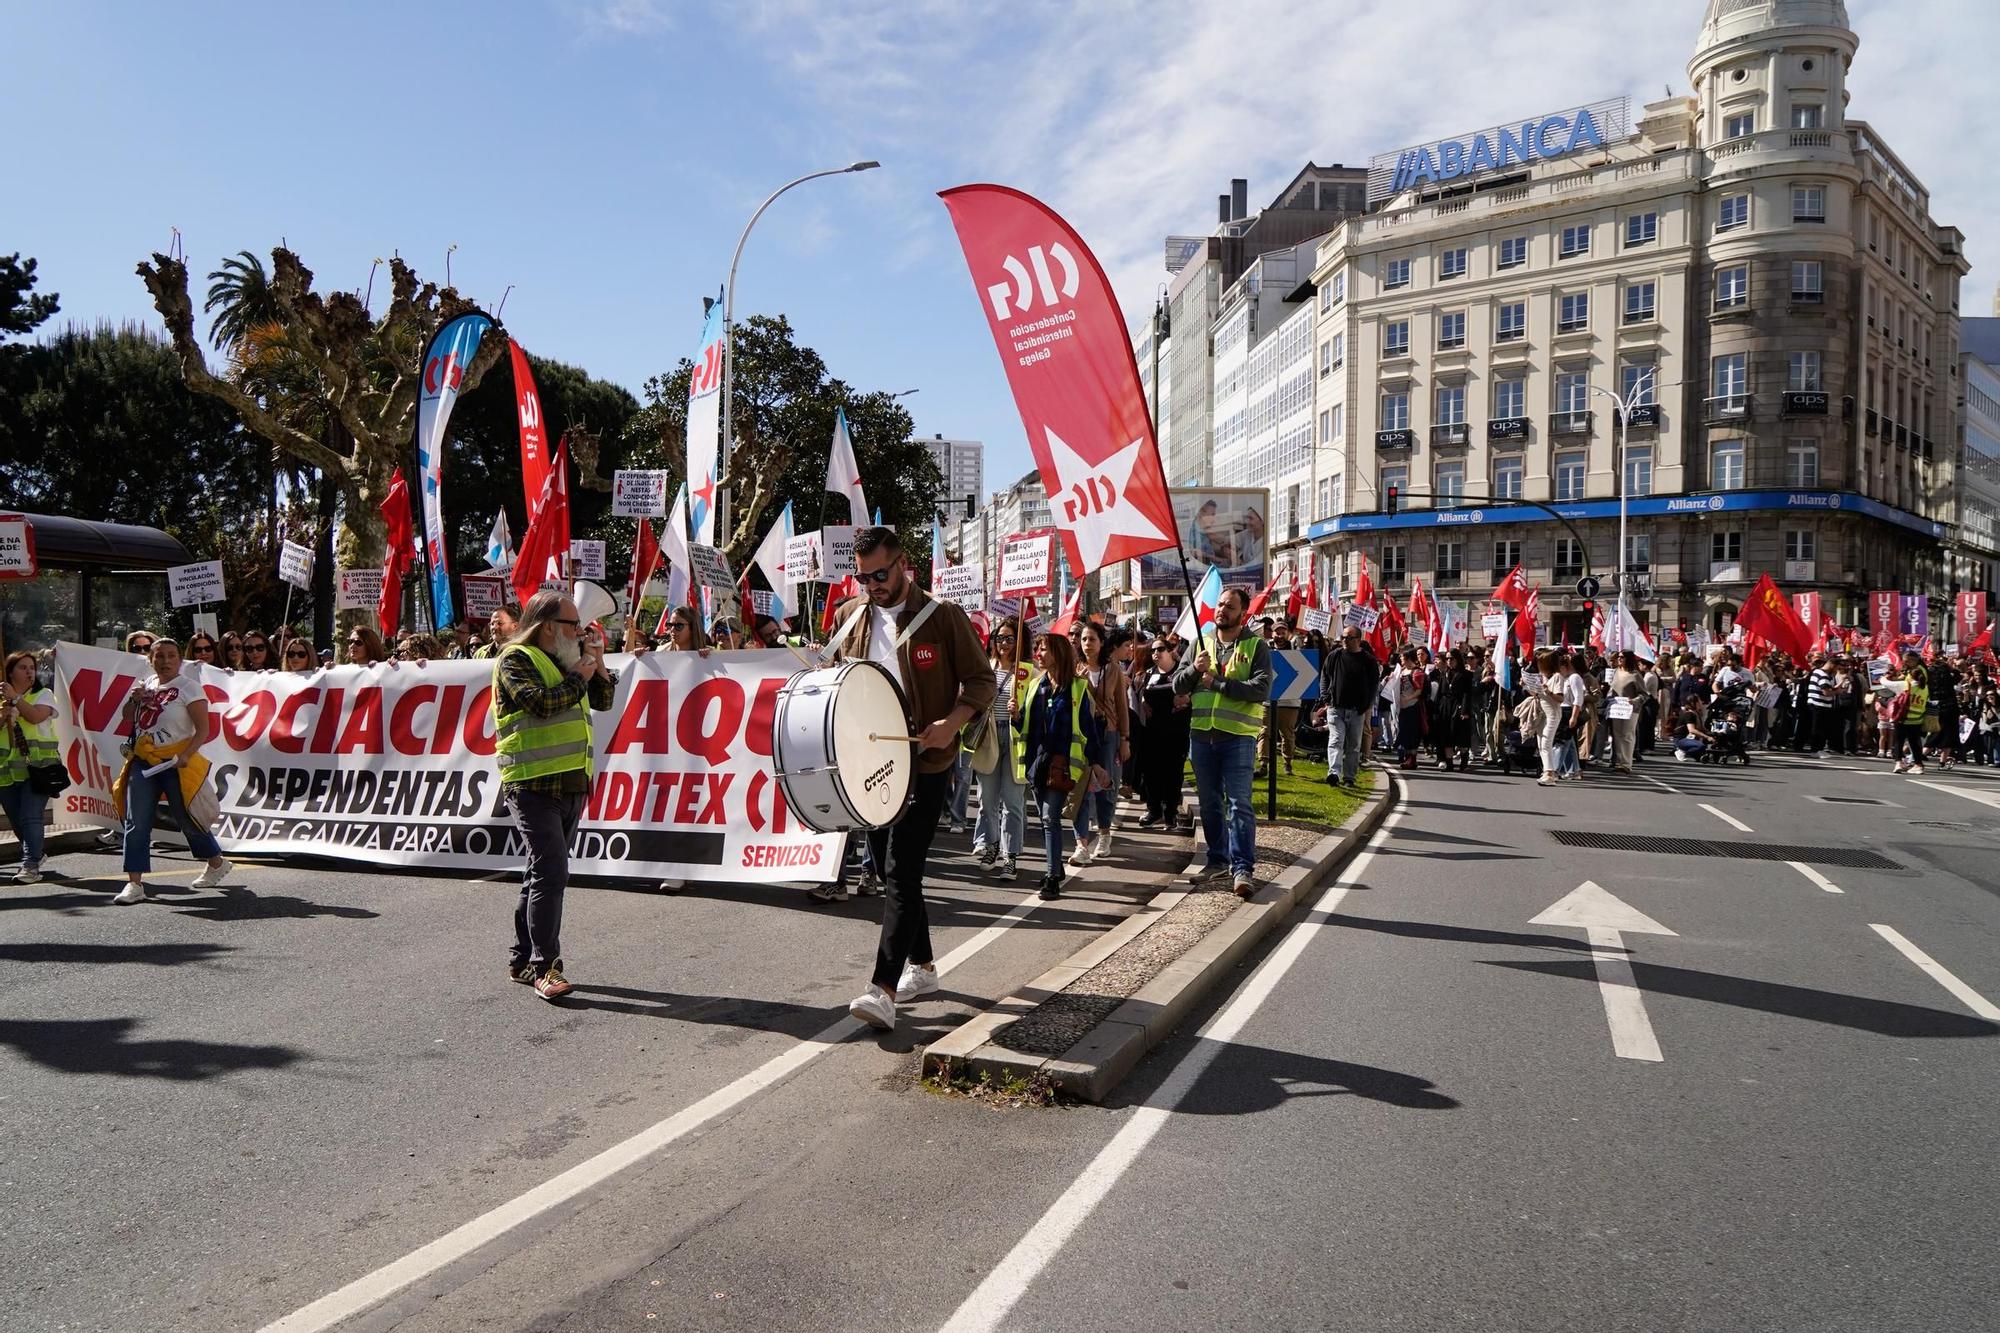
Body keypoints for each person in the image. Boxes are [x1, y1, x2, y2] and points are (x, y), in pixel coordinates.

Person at [829, 527, 994, 1031]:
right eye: (862, 577)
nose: (872, 585)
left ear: (904, 564)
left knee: (901, 870)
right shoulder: (850, 618)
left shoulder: (942, 617)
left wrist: (952, 723)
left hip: (926, 764)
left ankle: (882, 989)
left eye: (880, 574)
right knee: (890, 868)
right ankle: (923, 968)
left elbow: (982, 681)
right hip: (869, 766)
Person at [492, 590, 618, 1000]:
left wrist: (597, 664)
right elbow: (542, 705)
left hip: (569, 781)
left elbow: (603, 700)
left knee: (540, 871)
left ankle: (521, 958)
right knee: (551, 872)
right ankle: (545, 966)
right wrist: (580, 674)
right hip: (531, 783)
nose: (579, 631)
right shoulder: (515, 660)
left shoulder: (565, 660)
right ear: (547, 626)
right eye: (572, 624)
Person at [111, 638, 235, 904]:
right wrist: (134, 701)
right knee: (136, 820)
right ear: (150, 660)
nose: (165, 661)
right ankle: (134, 884)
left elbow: (203, 729)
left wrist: (186, 755)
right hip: (143, 761)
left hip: (176, 763)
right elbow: (126, 716)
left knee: (186, 815)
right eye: (159, 656)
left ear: (180, 660)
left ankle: (216, 862)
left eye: (171, 656)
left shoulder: (190, 688)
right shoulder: (146, 686)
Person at [1175, 586, 1272, 898]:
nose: (1222, 611)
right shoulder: (1199, 644)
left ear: (1242, 613)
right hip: (1202, 736)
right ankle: (1217, 859)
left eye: (1230, 607)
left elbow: (1260, 689)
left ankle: (1242, 868)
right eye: (1220, 605)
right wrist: (1194, 669)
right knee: (1209, 804)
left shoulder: (1255, 646)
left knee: (1239, 804)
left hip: (1239, 737)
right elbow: (1177, 684)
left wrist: (1217, 682)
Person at [1018, 631, 1105, 902]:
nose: (1038, 654)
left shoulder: (1078, 688)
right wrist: (1015, 716)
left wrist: (1096, 763)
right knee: (1047, 820)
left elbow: (1089, 729)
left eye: (1043, 649)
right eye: (1037, 649)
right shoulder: (1035, 685)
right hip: (1038, 764)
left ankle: (1052, 877)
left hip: (1063, 765)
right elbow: (1025, 727)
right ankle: (1055, 868)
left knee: (1049, 818)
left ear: (1057, 653)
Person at [971, 617, 1028, 878]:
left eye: (1010, 638)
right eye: (1000, 638)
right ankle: (991, 845)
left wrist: (1019, 714)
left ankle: (1011, 856)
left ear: (1020, 642)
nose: (1004, 643)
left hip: (1016, 739)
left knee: (1013, 802)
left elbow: (1034, 713)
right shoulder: (985, 668)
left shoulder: (1028, 671)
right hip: (989, 737)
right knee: (987, 799)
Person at [1067, 620, 1126, 868]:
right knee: (1079, 789)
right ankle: (1081, 844)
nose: (1087, 644)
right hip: (1081, 734)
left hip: (1107, 734)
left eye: (1092, 639)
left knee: (1104, 786)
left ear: (1102, 643)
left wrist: (1125, 739)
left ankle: (1104, 833)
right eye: (1083, 639)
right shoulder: (1074, 668)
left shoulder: (1113, 670)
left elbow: (1121, 706)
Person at [0, 651, 61, 883]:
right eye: (22, 667)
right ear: (10, 672)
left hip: (39, 767)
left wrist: (16, 699)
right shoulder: (1, 698)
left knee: (30, 817)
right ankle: (35, 852)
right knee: (17, 820)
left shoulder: (44, 694)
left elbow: (36, 717)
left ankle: (30, 865)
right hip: (6, 770)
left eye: (31, 668)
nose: (29, 672)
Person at [1135, 638, 1192, 827]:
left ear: (1170, 651)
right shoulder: (1149, 674)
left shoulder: (1181, 673)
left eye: (1160, 649)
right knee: (1151, 774)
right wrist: (1142, 701)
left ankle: (1170, 812)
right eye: (1153, 651)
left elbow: (1192, 694)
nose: (1156, 653)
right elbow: (1140, 694)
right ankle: (1154, 810)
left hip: (1176, 733)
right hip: (1152, 734)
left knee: (1173, 774)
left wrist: (1187, 699)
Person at [1319, 626, 1379, 787]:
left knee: (1353, 745)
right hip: (1336, 707)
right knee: (1336, 740)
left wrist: (1367, 704)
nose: (1345, 640)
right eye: (1343, 637)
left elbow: (1374, 684)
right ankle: (1334, 773)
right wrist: (1326, 698)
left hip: (1357, 710)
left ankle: (1349, 777)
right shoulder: (1335, 656)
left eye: (1349, 638)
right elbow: (1324, 676)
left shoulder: (1368, 660)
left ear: (1358, 640)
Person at [1890, 653, 1929, 775]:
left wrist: (1884, 678)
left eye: (1906, 661)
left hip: (1904, 713)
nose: (1904, 663)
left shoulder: (1912, 681)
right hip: (1917, 714)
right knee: (1914, 741)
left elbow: (1895, 685)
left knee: (1899, 739)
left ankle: (1899, 762)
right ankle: (1918, 764)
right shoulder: (1923, 679)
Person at [1532, 650, 1565, 787]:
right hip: (1542, 713)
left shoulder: (1557, 677)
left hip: (1552, 713)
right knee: (1541, 744)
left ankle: (1550, 773)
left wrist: (1548, 691)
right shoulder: (1543, 677)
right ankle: (1548, 771)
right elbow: (1537, 695)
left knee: (1546, 742)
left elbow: (1560, 698)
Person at [1608, 651, 1644, 773]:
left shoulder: (1635, 675)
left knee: (1627, 735)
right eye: (1618, 657)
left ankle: (1626, 764)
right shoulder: (1616, 672)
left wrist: (1634, 700)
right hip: (1616, 708)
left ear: (1628, 659)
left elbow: (1643, 694)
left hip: (1631, 709)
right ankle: (1618, 762)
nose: (1619, 659)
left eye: (1622, 657)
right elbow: (1612, 688)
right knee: (1617, 734)